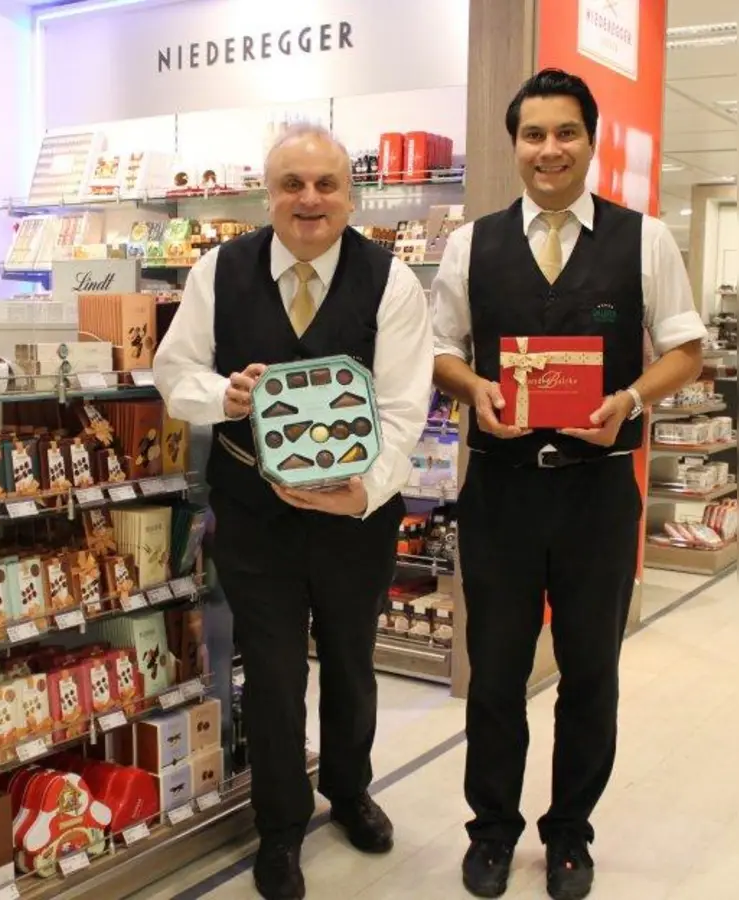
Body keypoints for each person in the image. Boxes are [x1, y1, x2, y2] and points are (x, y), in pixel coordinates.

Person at [430, 69, 705, 900]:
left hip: (598, 488)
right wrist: (474, 390)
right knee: (497, 671)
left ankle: (570, 834)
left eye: (565, 133)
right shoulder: (471, 243)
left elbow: (686, 349)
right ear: (514, 144)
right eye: (533, 134)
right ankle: (492, 831)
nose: (549, 149)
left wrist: (628, 398)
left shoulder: (643, 238)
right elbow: (442, 347)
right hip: (502, 492)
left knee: (590, 672)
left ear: (590, 140)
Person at [153, 122, 434, 900]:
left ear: (351, 194)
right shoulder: (220, 270)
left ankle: (348, 791)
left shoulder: (392, 282)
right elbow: (173, 373)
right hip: (255, 510)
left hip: (357, 513)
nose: (309, 200)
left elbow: (407, 408)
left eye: (325, 185)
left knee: (350, 661)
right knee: (273, 675)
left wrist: (364, 493)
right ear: (268, 194)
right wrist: (224, 395)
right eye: (291, 185)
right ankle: (279, 828)